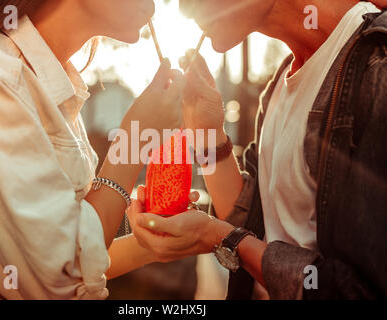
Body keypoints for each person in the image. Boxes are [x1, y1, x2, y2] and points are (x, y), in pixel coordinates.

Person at [128, 0, 387, 299]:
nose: (183, 8)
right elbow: (255, 228)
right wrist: (207, 133)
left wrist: (216, 236)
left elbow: (360, 291)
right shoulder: (280, 82)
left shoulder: (377, 67)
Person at [0, 0, 195, 299]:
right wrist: (134, 142)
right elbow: (59, 277)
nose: (151, 6)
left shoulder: (51, 89)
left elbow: (74, 257)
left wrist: (160, 241)